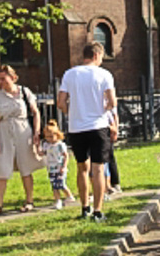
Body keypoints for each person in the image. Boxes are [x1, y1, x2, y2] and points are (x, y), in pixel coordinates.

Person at [57, 42, 116, 222]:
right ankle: (97, 211)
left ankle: (84, 207)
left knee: (82, 167)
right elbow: (112, 102)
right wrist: (104, 109)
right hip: (98, 126)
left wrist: (72, 113)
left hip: (76, 127)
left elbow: (61, 103)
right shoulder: (104, 74)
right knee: (98, 169)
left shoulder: (70, 74)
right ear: (97, 55)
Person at [0, 65, 42, 216]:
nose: (1, 82)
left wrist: (36, 132)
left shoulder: (25, 92)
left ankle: (29, 200)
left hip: (23, 130)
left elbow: (35, 112)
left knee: (25, 166)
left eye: (3, 78)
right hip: (5, 132)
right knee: (3, 167)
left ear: (13, 78)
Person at [40, 119, 75, 210]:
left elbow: (66, 156)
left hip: (59, 167)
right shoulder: (46, 145)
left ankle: (69, 196)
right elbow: (42, 153)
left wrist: (64, 166)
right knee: (54, 185)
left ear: (57, 135)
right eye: (47, 137)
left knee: (61, 184)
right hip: (51, 168)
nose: (49, 139)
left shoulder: (60, 145)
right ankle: (58, 200)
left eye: (51, 137)